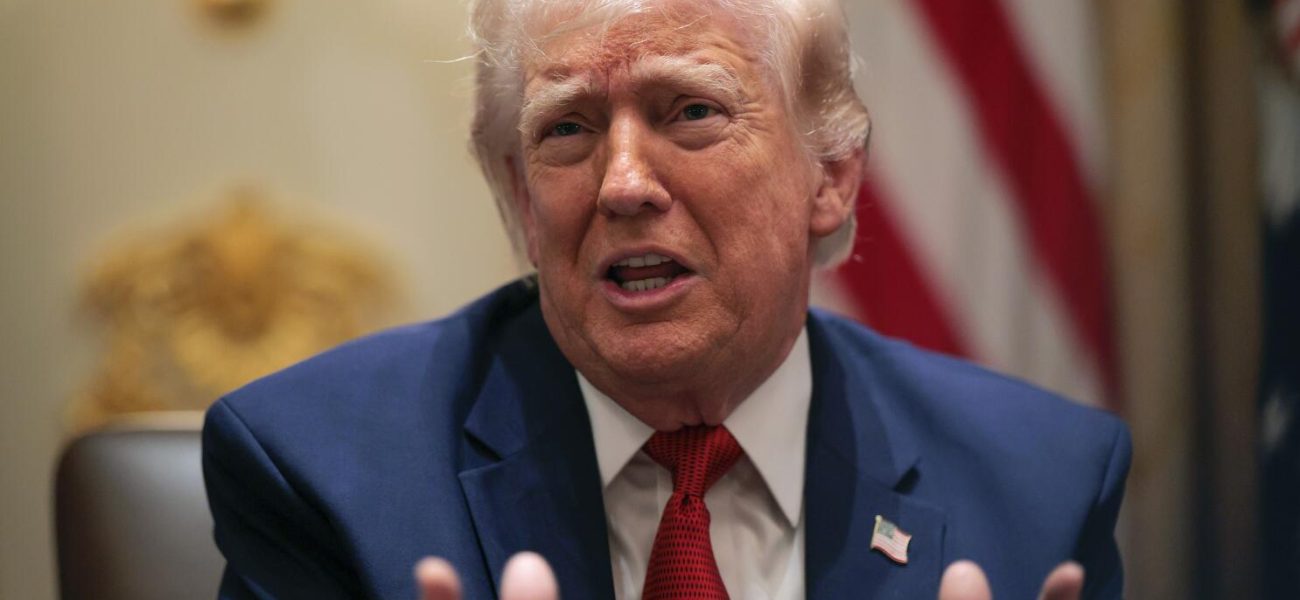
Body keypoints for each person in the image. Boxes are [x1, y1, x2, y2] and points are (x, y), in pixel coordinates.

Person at [202, 0, 1131, 598]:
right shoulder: (317, 475)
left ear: (832, 178)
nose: (623, 184)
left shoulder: (1034, 485)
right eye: (567, 128)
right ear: (524, 201)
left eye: (691, 110)